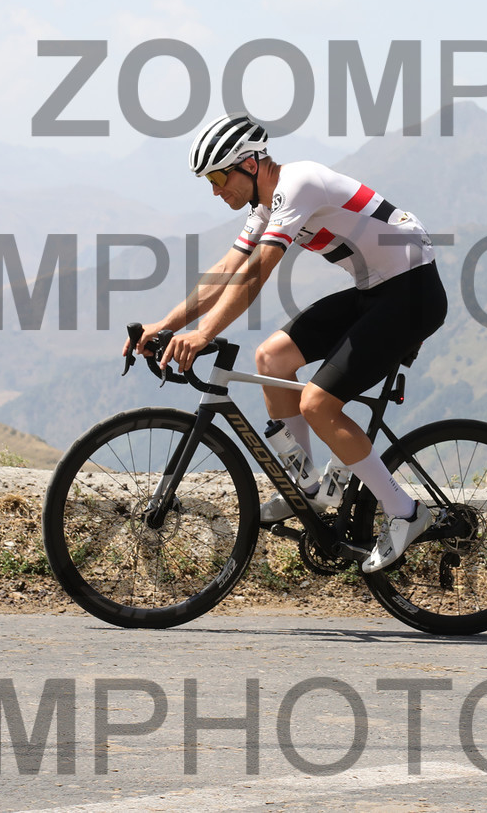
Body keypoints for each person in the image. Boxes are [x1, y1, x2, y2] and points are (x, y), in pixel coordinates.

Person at [131, 114, 447, 573]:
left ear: (250, 165)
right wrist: (165, 324)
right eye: (210, 182)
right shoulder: (265, 207)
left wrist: (203, 334)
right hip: (376, 291)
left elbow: (256, 274)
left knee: (318, 404)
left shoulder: (298, 185)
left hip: (413, 294)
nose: (216, 191)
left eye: (219, 178)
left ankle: (406, 512)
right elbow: (227, 270)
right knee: (271, 357)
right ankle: (310, 489)